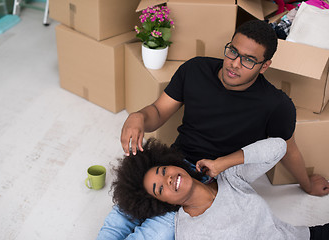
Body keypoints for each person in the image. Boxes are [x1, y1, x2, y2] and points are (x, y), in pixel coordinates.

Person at [97, 19, 329, 239]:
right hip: (172, 163)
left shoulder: (276, 104)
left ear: (264, 66)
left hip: (215, 180)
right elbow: (158, 111)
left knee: (157, 233)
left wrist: (307, 185)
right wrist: (138, 117)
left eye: (248, 60)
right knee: (119, 218)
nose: (235, 64)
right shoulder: (196, 69)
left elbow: (287, 149)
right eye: (233, 51)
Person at [112, 138, 329, 240]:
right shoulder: (189, 233)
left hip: (305, 235)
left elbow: (278, 147)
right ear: (163, 202)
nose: (168, 179)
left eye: (163, 170)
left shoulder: (229, 177)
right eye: (159, 189)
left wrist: (222, 163)